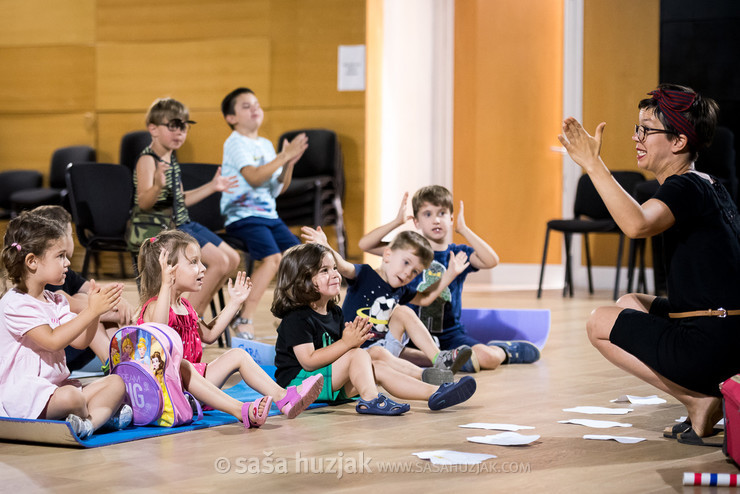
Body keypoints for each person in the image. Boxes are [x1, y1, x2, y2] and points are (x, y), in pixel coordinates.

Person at [558, 83, 737, 446]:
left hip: (712, 342)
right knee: (629, 303)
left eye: (647, 130)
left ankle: (699, 399)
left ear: (678, 142)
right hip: (726, 333)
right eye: (637, 128)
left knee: (598, 323)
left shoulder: (684, 187)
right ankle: (702, 393)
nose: (637, 137)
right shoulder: (709, 184)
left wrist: (593, 164)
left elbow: (637, 224)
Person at [136, 230, 323, 422]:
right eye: (193, 262)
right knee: (183, 366)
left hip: (192, 385)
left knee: (237, 355)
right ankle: (240, 410)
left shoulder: (185, 306)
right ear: (168, 268)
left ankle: (284, 398)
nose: (202, 268)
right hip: (166, 388)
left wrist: (234, 303)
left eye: (200, 261)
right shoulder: (154, 306)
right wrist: (166, 285)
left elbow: (208, 335)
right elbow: (158, 335)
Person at [272, 243, 477, 415]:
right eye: (324, 271)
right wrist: (347, 344)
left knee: (376, 361)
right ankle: (370, 399)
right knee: (357, 355)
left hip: (325, 382)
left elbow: (334, 358)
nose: (335, 274)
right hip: (298, 386)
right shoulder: (296, 318)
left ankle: (435, 392)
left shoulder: (334, 312)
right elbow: (308, 362)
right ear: (302, 280)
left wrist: (353, 341)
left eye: (334, 268)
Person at [359, 189, 541, 372]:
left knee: (487, 358)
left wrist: (464, 230)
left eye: (442, 213)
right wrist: (397, 222)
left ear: (451, 218)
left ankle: (505, 350)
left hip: (450, 334)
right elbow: (365, 244)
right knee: (389, 354)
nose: (436, 220)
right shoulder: (407, 252)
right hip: (412, 336)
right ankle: (441, 359)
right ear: (416, 221)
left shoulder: (458, 254)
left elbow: (491, 260)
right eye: (428, 214)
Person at [0, 211, 129, 439]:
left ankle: (88, 425)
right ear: (32, 261)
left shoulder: (56, 300)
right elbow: (52, 341)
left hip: (57, 389)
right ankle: (101, 416)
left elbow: (80, 342)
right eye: (60, 256)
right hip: (23, 396)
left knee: (117, 383)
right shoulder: (15, 303)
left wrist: (95, 313)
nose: (67, 262)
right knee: (73, 397)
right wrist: (91, 310)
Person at [302, 226, 472, 385]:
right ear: (388, 255)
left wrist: (450, 274)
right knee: (379, 353)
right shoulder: (364, 274)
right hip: (357, 352)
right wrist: (325, 246)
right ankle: (427, 376)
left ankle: (440, 359)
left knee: (403, 312)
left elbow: (425, 298)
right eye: (406, 263)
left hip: (384, 346)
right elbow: (343, 266)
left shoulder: (401, 288)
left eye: (415, 272)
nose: (407, 273)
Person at [132, 97, 241, 317]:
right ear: (153, 128)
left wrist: (212, 186)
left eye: (183, 127)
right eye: (173, 126)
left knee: (233, 259)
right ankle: (191, 317)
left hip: (183, 223)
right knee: (219, 261)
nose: (180, 132)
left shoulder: (171, 160)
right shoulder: (148, 160)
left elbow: (179, 199)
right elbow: (144, 202)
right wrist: (157, 186)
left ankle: (193, 311)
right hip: (163, 229)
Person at [219, 87, 309, 339]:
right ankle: (244, 317)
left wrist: (288, 163)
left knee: (301, 259)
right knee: (273, 259)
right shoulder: (235, 142)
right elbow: (256, 178)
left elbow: (277, 187)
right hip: (242, 215)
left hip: (269, 215)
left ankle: (291, 316)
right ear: (231, 118)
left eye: (256, 104)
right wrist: (283, 156)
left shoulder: (266, 145)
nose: (254, 109)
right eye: (246, 106)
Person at [33, 205, 135, 372]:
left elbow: (95, 290)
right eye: (70, 233)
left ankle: (125, 359)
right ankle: (113, 364)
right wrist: (111, 307)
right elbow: (71, 303)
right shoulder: (46, 275)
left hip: (77, 346)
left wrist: (118, 301)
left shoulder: (65, 271)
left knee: (94, 303)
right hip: (58, 351)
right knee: (87, 308)